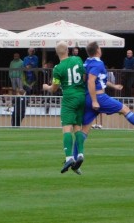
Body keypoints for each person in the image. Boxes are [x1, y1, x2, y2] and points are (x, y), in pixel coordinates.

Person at [73, 42, 134, 169]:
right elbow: (91, 81)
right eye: (100, 48)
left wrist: (114, 86)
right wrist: (95, 100)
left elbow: (96, 79)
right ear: (98, 50)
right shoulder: (98, 63)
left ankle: (74, 159)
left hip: (87, 97)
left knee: (84, 130)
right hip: (99, 98)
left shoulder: (87, 62)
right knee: (125, 109)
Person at [42, 41, 86, 174]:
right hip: (81, 96)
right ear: (68, 50)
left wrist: (47, 87)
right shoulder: (77, 59)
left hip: (69, 98)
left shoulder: (57, 68)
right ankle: (80, 154)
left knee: (67, 128)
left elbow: (54, 88)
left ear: (56, 53)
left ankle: (69, 158)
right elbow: (84, 76)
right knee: (78, 126)